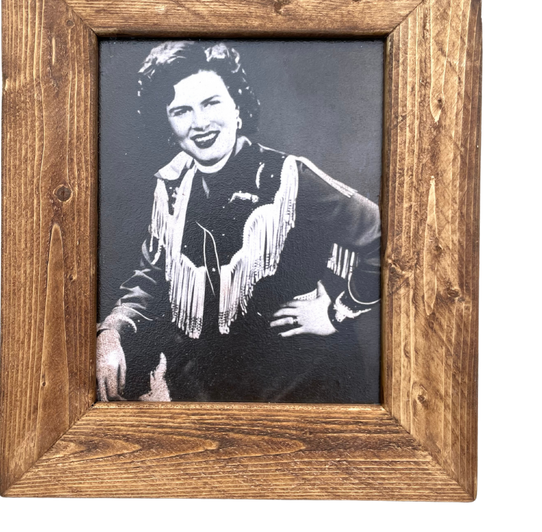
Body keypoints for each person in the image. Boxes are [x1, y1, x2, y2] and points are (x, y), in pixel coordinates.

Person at [97, 41, 381, 404]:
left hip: (301, 388)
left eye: (211, 103)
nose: (200, 123)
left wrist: (336, 312)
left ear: (237, 107)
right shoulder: (172, 186)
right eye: (181, 111)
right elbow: (152, 277)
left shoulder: (289, 176)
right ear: (167, 124)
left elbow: (389, 236)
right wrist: (112, 332)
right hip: (207, 389)